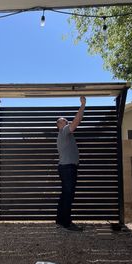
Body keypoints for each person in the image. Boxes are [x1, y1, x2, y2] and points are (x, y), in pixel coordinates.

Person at [56, 96, 86, 231]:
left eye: (66, 121)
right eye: (64, 121)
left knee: (65, 194)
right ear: (59, 125)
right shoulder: (64, 132)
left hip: (66, 167)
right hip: (67, 168)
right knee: (68, 194)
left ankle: (60, 220)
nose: (67, 122)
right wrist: (83, 105)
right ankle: (67, 223)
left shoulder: (64, 134)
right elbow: (77, 121)